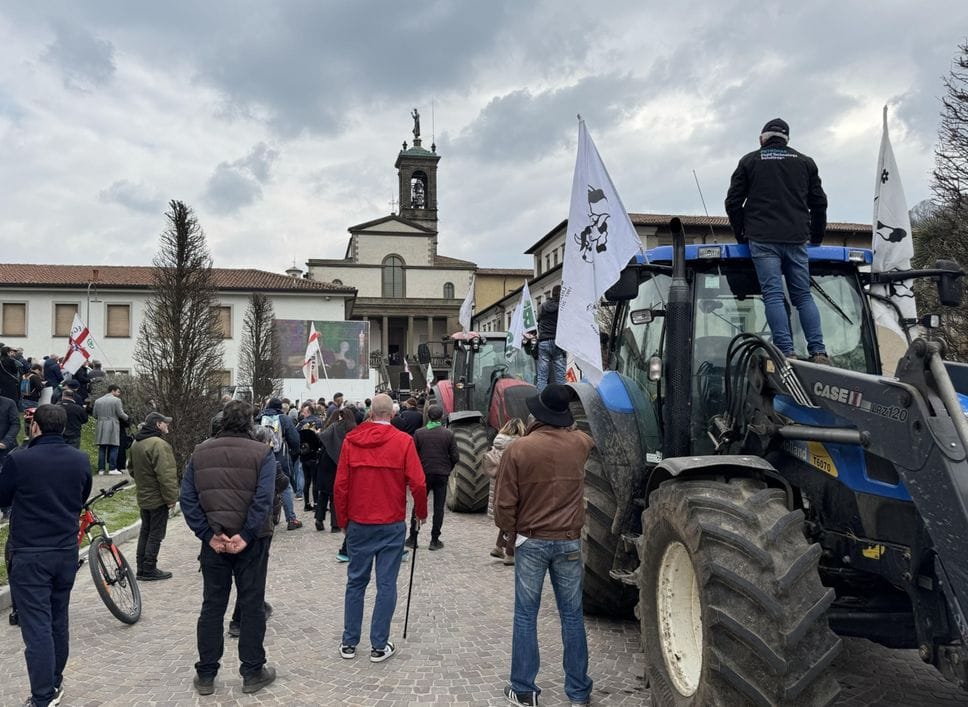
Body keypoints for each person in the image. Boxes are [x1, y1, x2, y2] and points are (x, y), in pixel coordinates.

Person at [494, 384, 595, 707]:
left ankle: (524, 689)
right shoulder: (579, 444)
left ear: (536, 414)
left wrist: (508, 535)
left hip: (531, 539)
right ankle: (578, 692)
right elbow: (584, 435)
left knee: (526, 615)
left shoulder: (519, 449)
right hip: (567, 540)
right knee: (572, 616)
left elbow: (504, 504)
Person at [180, 400, 277, 696]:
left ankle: (207, 673)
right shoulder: (263, 453)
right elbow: (264, 500)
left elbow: (188, 498)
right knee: (251, 604)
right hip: (250, 540)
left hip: (216, 539)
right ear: (250, 422)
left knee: (212, 605)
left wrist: (208, 534)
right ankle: (251, 670)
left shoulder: (199, 452)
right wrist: (246, 535)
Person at [0, 404, 92, 707]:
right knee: (57, 618)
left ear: (35, 427)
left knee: (36, 625)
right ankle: (54, 681)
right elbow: (81, 496)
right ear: (64, 428)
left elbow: (3, 496)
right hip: (64, 550)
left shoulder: (20, 459)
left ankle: (43, 695)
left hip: (29, 552)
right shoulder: (80, 459)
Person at [725, 117, 830, 364]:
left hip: (762, 239)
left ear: (762, 139)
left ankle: (786, 351)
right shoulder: (806, 163)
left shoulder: (749, 161)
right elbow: (819, 202)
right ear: (787, 140)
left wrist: (742, 234)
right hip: (796, 238)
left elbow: (733, 202)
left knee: (772, 295)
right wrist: (816, 237)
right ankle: (818, 351)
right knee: (803, 295)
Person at [335, 393, 428, 663]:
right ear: (392, 414)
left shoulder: (352, 441)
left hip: (359, 521)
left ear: (371, 413)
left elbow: (340, 486)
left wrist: (343, 520)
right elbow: (419, 484)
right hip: (390, 522)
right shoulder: (403, 442)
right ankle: (378, 643)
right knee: (386, 584)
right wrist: (420, 513)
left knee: (356, 582)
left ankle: (349, 642)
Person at [129, 412, 178, 581]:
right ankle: (149, 568)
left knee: (145, 532)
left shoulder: (136, 443)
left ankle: (141, 568)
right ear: (158, 424)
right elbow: (166, 475)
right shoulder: (159, 444)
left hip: (143, 494)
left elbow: (131, 469)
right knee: (156, 534)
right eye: (165, 423)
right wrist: (172, 498)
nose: (167, 426)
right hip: (157, 497)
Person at [408, 404, 458, 551]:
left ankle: (413, 537)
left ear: (428, 416)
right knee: (438, 508)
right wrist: (448, 468)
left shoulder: (419, 433)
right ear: (441, 417)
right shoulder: (448, 434)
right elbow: (455, 456)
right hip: (441, 474)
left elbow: (413, 455)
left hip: (423, 474)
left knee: (418, 504)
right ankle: (434, 540)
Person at [482, 417, 527, 564]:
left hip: (497, 483)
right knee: (514, 519)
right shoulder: (518, 444)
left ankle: (498, 547)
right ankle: (510, 554)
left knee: (505, 517)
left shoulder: (498, 440)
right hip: (511, 483)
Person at [256, 397, 302, 530]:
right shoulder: (284, 419)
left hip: (261, 456)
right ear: (280, 407)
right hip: (279, 455)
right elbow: (294, 439)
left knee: (263, 486)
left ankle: (266, 518)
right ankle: (291, 519)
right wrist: (294, 452)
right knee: (284, 485)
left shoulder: (259, 418)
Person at [316, 407, 356, 533]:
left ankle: (319, 519)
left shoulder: (334, 426)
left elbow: (322, 436)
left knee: (324, 492)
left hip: (328, 460)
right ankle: (335, 523)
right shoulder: (354, 428)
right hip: (344, 461)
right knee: (337, 493)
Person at [93, 384, 128, 475]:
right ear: (113, 391)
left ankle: (101, 469)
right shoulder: (117, 400)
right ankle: (112, 468)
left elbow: (95, 414)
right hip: (113, 424)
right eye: (118, 391)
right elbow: (120, 413)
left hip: (101, 424)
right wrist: (127, 417)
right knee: (114, 446)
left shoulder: (98, 401)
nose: (119, 394)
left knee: (102, 447)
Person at [536, 286, 566, 392]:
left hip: (544, 341)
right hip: (558, 342)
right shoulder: (563, 308)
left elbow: (538, 321)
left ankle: (540, 400)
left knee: (542, 376)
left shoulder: (542, 307)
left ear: (552, 294)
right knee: (560, 377)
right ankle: (561, 400)